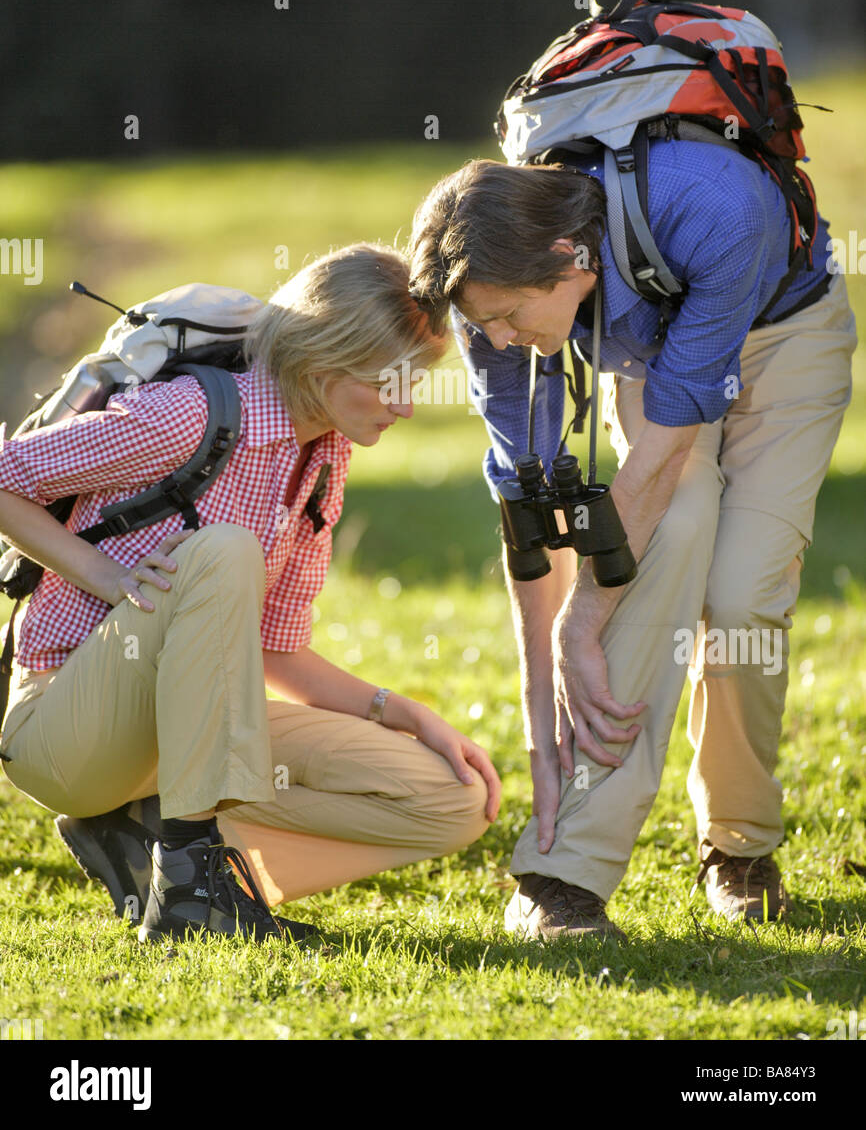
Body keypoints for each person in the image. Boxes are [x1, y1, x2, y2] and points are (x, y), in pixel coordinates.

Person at [407, 140, 857, 939]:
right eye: (485, 324)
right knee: (665, 541)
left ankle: (740, 846)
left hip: (784, 336)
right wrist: (541, 720)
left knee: (741, 597)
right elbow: (526, 508)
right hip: (654, 344)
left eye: (510, 316)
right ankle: (563, 879)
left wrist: (584, 621)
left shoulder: (717, 205)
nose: (499, 340)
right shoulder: (488, 298)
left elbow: (664, 456)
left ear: (568, 255)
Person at [0, 244, 500, 943]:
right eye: (390, 385)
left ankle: (155, 848)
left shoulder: (325, 456)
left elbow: (277, 650)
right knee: (222, 550)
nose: (409, 407)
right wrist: (105, 575)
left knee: (453, 799)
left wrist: (406, 714)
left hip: (181, 736)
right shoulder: (187, 413)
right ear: (324, 366)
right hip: (64, 727)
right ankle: (188, 889)